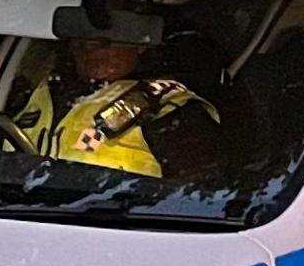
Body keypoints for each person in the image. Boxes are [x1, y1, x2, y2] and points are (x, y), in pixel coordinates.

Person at [19, 34, 213, 178]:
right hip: (9, 219)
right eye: (81, 35)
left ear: (141, 43)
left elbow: (201, 201)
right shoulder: (32, 92)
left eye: (106, 38)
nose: (90, 46)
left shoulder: (169, 110)